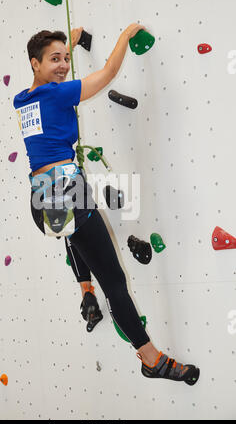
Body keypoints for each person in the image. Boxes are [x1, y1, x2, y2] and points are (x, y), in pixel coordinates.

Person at [13, 24, 200, 384]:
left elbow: (46, 80)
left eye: (66, 58)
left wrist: (65, 41)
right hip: (66, 192)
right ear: (35, 63)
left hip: (41, 198)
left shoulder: (22, 100)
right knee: (114, 281)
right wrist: (126, 34)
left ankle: (85, 292)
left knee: (77, 239)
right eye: (56, 59)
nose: (64, 65)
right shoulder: (56, 95)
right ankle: (151, 359)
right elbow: (110, 72)